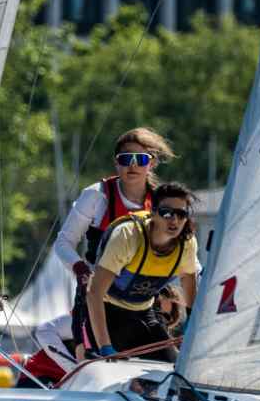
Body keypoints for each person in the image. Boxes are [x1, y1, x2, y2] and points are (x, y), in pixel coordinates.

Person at [53, 127, 175, 356]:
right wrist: (81, 270)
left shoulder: (162, 202)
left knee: (169, 367)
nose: (133, 166)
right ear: (116, 163)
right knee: (93, 362)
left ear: (152, 163)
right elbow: (63, 243)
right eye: (125, 159)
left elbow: (180, 253)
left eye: (141, 159)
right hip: (95, 298)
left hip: (141, 303)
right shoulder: (96, 195)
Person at [84, 182, 199, 362]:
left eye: (181, 214)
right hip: (107, 313)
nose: (174, 221)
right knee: (116, 369)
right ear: (153, 212)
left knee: (175, 367)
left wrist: (193, 324)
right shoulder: (128, 236)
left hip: (144, 312)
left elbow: (188, 280)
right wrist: (105, 347)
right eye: (167, 213)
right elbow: (94, 293)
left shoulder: (187, 243)